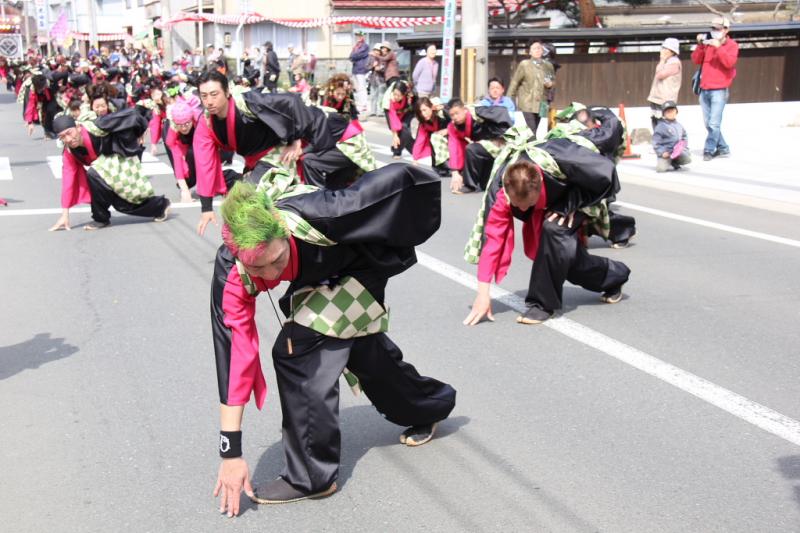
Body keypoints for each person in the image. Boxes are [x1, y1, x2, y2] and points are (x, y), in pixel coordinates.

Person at [210, 165, 457, 512]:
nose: (270, 274)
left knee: (299, 349)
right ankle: (430, 404)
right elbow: (234, 354)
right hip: (315, 278)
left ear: (282, 229)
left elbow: (400, 183)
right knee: (362, 350)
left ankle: (312, 476)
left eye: (276, 260)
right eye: (257, 269)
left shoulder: (324, 214)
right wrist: (231, 452)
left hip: (358, 266)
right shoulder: (231, 272)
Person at [462, 141, 631, 326]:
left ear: (540, 185)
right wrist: (483, 294)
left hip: (576, 196)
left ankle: (542, 304)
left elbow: (607, 173)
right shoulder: (501, 193)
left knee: (553, 230)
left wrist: (570, 203)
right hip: (546, 208)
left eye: (528, 203)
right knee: (564, 259)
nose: (523, 209)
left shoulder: (563, 159)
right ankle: (615, 276)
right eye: (517, 205)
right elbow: (492, 242)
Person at [49, 111, 170, 231]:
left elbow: (132, 116)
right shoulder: (69, 152)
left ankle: (100, 218)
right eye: (62, 137)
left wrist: (139, 133)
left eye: (69, 133)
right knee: (120, 204)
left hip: (122, 157)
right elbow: (68, 180)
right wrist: (65, 214)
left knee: (93, 173)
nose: (68, 139)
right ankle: (160, 206)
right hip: (106, 170)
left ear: (78, 127)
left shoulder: (98, 125)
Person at [692, 16, 738, 161]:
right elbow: (696, 59)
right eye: (713, 28)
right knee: (709, 124)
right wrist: (700, 45)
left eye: (718, 28)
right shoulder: (708, 44)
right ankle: (723, 148)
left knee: (714, 123)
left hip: (720, 89)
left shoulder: (732, 45)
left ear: (726, 30)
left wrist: (719, 48)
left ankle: (709, 149)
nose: (715, 31)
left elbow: (729, 63)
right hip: (704, 88)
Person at [446, 98, 513, 194]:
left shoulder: (478, 112)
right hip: (485, 148)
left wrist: (503, 136)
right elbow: (454, 147)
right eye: (452, 115)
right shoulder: (453, 126)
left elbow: (501, 112)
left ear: (464, 110)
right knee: (484, 185)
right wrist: (455, 172)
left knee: (471, 149)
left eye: (457, 113)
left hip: (500, 143)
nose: (455, 117)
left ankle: (469, 185)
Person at [507, 41, 555, 137]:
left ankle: (530, 144)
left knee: (535, 128)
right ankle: (532, 145)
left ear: (542, 51)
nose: (537, 50)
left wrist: (550, 84)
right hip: (527, 102)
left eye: (539, 48)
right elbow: (515, 81)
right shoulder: (524, 64)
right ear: (530, 52)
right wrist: (509, 98)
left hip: (542, 102)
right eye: (534, 48)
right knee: (531, 129)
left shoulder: (548, 66)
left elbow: (552, 80)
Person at [647, 38, 682, 130]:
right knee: (656, 121)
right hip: (657, 98)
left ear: (672, 51)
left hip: (666, 99)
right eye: (663, 48)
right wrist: (662, 61)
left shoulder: (674, 62)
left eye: (666, 48)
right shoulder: (666, 61)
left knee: (665, 124)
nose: (662, 50)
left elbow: (660, 75)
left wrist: (662, 60)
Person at [412, 97, 450, 177]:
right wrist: (415, 159)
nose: (423, 114)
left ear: (431, 107)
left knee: (435, 137)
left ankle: (450, 167)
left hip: (453, 138)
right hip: (438, 141)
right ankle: (440, 168)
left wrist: (448, 130)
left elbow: (457, 123)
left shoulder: (442, 113)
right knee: (433, 138)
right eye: (420, 111)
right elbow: (419, 140)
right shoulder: (423, 123)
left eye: (424, 110)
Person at [652, 101, 691, 173]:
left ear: (676, 112)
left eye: (672, 111)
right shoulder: (661, 126)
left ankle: (674, 162)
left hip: (677, 152)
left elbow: (684, 137)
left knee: (687, 159)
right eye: (668, 112)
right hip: (666, 152)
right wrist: (662, 152)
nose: (670, 113)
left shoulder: (679, 125)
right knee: (661, 169)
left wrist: (684, 147)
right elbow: (655, 142)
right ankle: (668, 161)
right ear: (663, 114)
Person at [386, 81, 414, 159]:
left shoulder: (408, 95)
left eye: (399, 95)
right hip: (393, 115)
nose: (396, 97)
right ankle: (398, 151)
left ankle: (397, 150)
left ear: (404, 94)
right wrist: (395, 135)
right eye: (394, 94)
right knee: (400, 132)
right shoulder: (389, 101)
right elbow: (393, 119)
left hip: (407, 113)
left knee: (405, 131)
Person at [349, 31, 370, 115]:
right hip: (355, 69)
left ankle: (364, 104)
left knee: (362, 87)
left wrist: (353, 55)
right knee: (357, 88)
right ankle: (361, 104)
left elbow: (356, 55)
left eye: (360, 36)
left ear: (363, 37)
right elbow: (351, 56)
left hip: (361, 69)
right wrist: (353, 55)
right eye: (357, 36)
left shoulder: (365, 46)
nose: (358, 37)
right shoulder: (356, 46)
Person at [367, 43, 386, 117]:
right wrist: (373, 66)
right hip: (373, 80)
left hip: (381, 79)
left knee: (381, 96)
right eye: (375, 50)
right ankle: (373, 111)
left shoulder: (383, 58)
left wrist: (379, 68)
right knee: (373, 96)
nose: (376, 52)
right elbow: (366, 67)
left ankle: (380, 111)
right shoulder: (371, 58)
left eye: (378, 50)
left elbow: (385, 68)